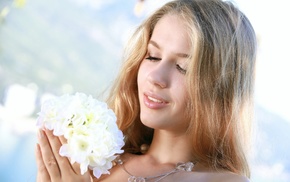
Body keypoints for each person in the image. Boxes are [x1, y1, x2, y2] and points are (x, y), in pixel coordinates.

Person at [35, 0, 257, 181]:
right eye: (152, 56)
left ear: (221, 87)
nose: (155, 77)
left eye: (183, 68)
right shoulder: (96, 162)